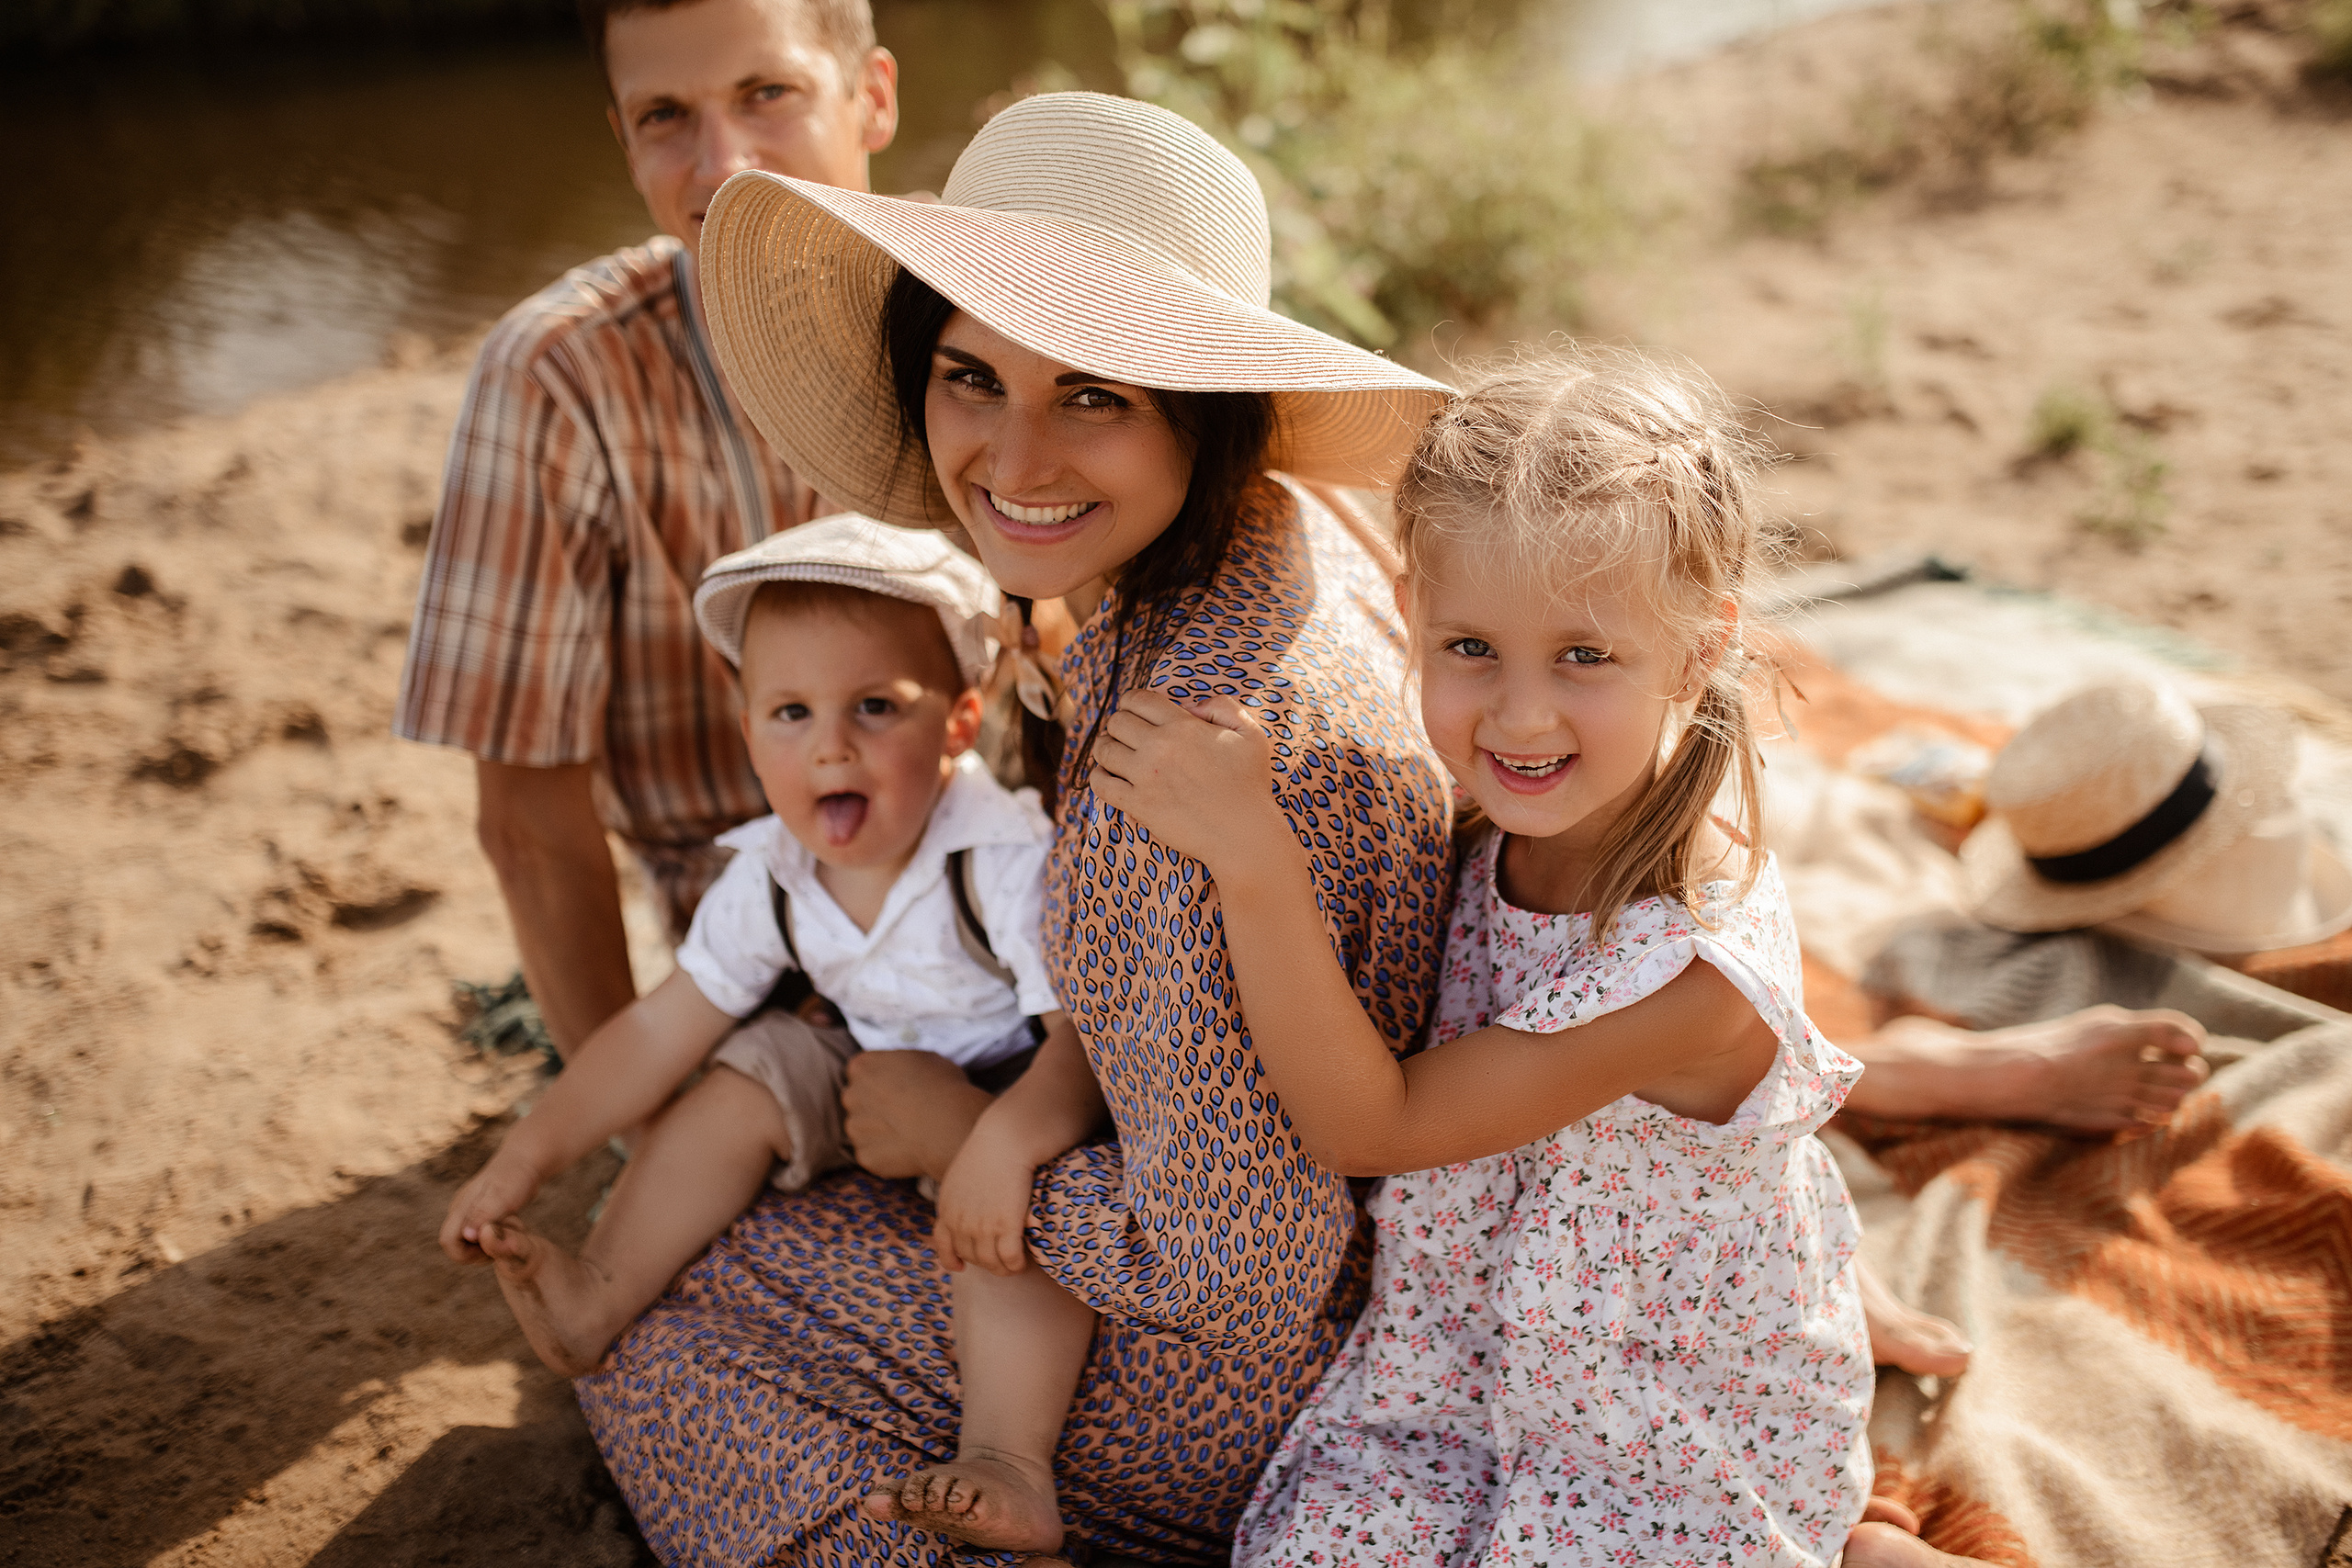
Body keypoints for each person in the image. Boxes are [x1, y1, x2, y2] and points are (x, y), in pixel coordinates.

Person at [567, 90, 1982, 1568]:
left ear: (1205, 410)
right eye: (972, 375)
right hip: (1473, 1302)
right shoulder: (1302, 549)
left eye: (1095, 393)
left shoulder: (1189, 772)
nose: (1018, 456)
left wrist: (972, 1149)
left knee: (677, 1330)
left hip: (1411, 1353)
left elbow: (1263, 1236)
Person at [1096, 346, 1874, 1565]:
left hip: (1663, 1419)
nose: (1519, 714)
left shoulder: (1689, 971)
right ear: (1413, 612)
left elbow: (1373, 1126)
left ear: (1698, 649)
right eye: (1470, 647)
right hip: (1457, 1369)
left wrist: (1252, 855)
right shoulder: (1500, 814)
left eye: (1584, 656)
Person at [438, 518, 1120, 1512]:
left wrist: (1000, 1146)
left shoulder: (1001, 862)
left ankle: (1007, 1460)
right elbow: (656, 1030)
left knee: (1007, 1242)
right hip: (871, 1065)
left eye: (875, 707)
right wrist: (526, 1158)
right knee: (747, 1071)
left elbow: (1083, 1046)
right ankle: (599, 1289)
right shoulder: (774, 874)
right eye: (791, 712)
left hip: (1009, 1088)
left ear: (959, 723)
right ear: (749, 733)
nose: (831, 745)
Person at [393, 0, 899, 1059]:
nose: (724, 164)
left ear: (873, 98)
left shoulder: (983, 306)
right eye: (665, 115)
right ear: (623, 143)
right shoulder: (558, 376)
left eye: (768, 93)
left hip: (1012, 892)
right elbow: (528, 824)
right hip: (755, 968)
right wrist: (638, 1111)